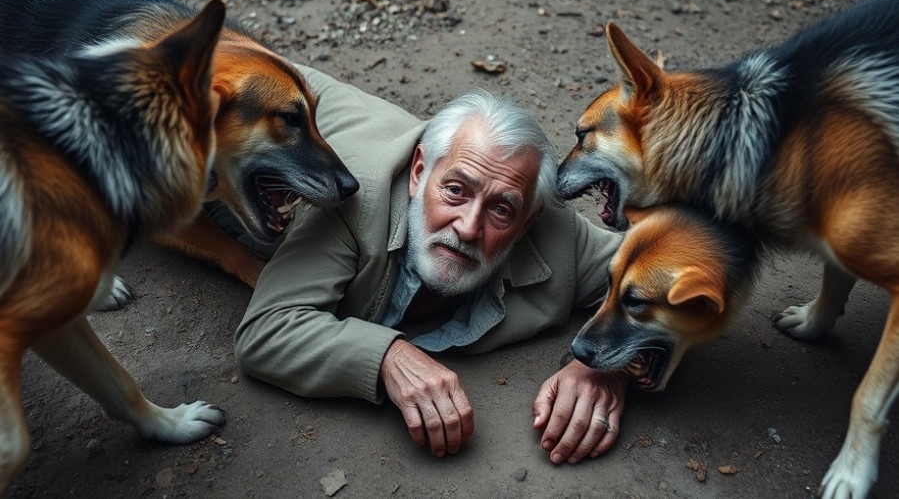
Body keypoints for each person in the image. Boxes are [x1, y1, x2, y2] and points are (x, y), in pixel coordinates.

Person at [233, 64, 627, 465]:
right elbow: (267, 330)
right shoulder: (353, 197)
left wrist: (602, 365)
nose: (469, 227)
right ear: (419, 173)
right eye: (456, 191)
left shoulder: (555, 229)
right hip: (240, 118)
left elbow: (667, 282)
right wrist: (389, 357)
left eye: (501, 210)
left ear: (527, 220)